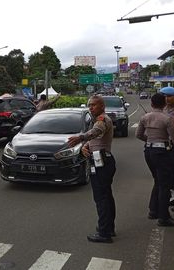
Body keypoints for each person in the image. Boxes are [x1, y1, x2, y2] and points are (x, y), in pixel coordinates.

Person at [67, 95, 116, 243]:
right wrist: (85, 146)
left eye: (94, 105)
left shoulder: (102, 120)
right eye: (89, 105)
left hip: (102, 162)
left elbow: (96, 132)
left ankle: (104, 233)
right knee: (106, 196)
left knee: (101, 198)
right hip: (101, 159)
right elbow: (95, 139)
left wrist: (81, 138)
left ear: (102, 106)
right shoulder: (97, 120)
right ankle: (108, 227)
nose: (91, 108)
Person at [136, 93, 174, 227]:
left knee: (158, 180)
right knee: (165, 184)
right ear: (164, 104)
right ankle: (164, 217)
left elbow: (138, 135)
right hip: (162, 151)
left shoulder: (144, 117)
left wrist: (150, 140)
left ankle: (153, 210)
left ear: (152, 104)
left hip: (148, 151)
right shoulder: (167, 119)